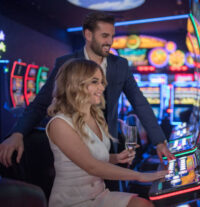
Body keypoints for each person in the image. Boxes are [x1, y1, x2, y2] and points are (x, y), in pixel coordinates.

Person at [0, 11, 174, 168]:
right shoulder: (66, 63)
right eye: (104, 36)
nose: (110, 42)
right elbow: (40, 104)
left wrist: (159, 141)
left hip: (108, 144)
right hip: (75, 143)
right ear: (88, 34)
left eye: (112, 36)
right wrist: (17, 133)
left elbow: (140, 102)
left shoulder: (120, 65)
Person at [46, 58, 166, 207]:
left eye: (102, 82)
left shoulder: (97, 116)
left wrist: (116, 158)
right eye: (95, 82)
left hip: (99, 194)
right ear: (76, 84)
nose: (102, 87)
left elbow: (93, 157)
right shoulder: (60, 124)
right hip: (73, 201)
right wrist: (140, 176)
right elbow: (91, 166)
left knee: (144, 204)